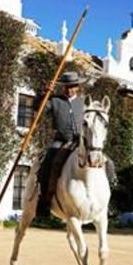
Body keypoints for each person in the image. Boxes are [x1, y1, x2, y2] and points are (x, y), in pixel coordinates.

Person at [36, 71, 115, 214]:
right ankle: (45, 200)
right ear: (63, 87)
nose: (69, 89)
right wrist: (44, 93)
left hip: (81, 141)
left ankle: (105, 202)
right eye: (67, 86)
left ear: (77, 86)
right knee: (48, 163)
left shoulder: (84, 102)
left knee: (109, 163)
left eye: (72, 86)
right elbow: (38, 108)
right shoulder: (54, 100)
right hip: (61, 141)